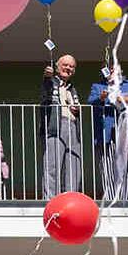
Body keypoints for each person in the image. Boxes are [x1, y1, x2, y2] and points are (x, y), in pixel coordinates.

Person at [88, 66, 128, 201]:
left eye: (116, 69)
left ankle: (123, 200)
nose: (113, 72)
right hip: (105, 135)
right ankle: (112, 201)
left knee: (125, 171)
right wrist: (102, 98)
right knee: (108, 172)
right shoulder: (98, 86)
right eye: (110, 69)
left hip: (126, 135)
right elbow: (91, 102)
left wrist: (127, 99)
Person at [42, 55, 83, 197]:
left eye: (72, 66)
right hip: (55, 126)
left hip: (72, 126)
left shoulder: (72, 88)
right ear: (57, 67)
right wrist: (47, 77)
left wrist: (77, 110)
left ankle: (71, 197)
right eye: (65, 65)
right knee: (53, 165)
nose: (68, 68)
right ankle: (50, 199)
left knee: (74, 165)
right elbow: (45, 93)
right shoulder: (51, 82)